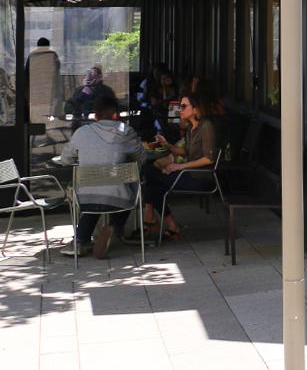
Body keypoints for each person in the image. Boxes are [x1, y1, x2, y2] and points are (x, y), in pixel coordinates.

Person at [57, 88, 144, 259]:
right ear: (115, 115)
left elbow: (65, 159)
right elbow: (141, 158)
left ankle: (79, 241)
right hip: (119, 198)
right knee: (130, 184)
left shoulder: (81, 133)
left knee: (95, 193)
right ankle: (114, 226)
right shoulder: (126, 131)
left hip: (85, 198)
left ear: (95, 116)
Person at [140, 91, 218, 239]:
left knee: (148, 172)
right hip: (189, 174)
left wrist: (180, 166)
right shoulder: (191, 128)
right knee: (152, 182)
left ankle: (153, 219)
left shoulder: (206, 126)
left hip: (201, 178)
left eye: (183, 106)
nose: (179, 109)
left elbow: (209, 159)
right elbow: (185, 151)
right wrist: (167, 144)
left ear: (195, 109)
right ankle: (170, 225)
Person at [24, 37, 62, 118]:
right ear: (48, 46)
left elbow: (26, 73)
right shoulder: (53, 54)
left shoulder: (32, 55)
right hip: (48, 86)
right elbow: (57, 68)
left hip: (36, 87)